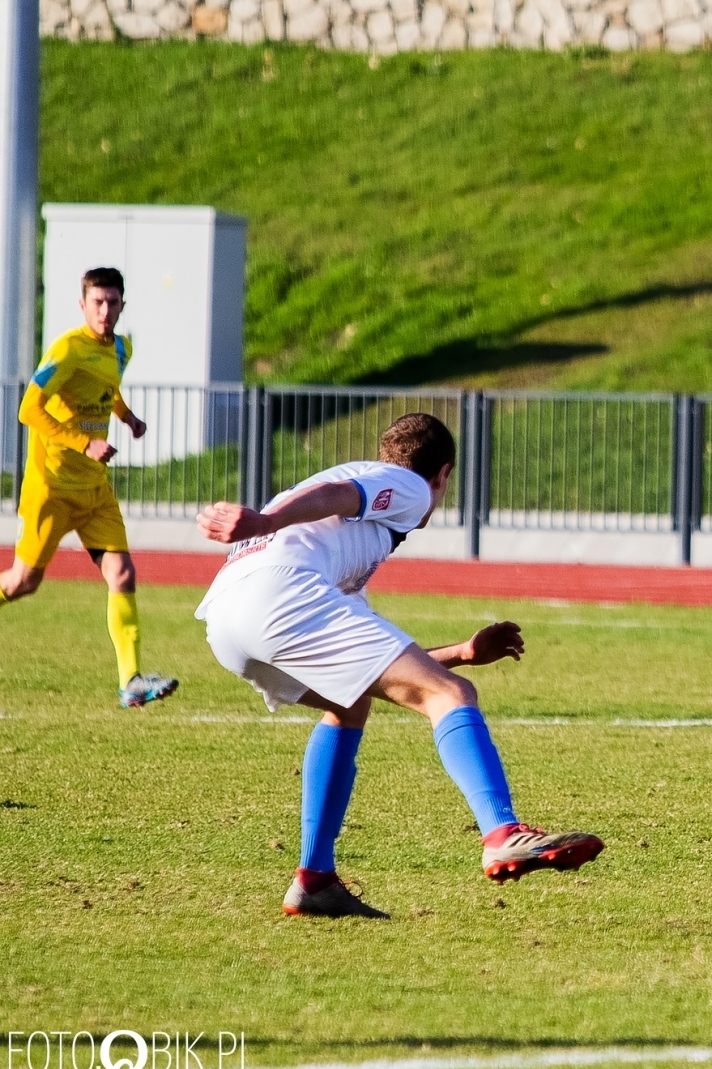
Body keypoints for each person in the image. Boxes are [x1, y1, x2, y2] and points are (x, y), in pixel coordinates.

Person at [194, 412, 603, 919]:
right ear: (444, 474)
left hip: (227, 622)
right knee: (452, 696)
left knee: (351, 703)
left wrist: (461, 653)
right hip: (282, 596)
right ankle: (501, 833)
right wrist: (267, 519)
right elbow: (344, 493)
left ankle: (314, 879)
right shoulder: (407, 484)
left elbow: (382, 669)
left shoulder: (344, 544)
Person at [0, 267, 177, 708]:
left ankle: (131, 681)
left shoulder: (121, 347)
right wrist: (83, 442)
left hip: (94, 491)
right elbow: (28, 409)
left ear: (122, 305)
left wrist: (127, 417)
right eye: (96, 302)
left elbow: (106, 389)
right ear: (82, 305)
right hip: (52, 488)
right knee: (23, 582)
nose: (104, 310)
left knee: (122, 574)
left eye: (112, 302)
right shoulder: (67, 349)